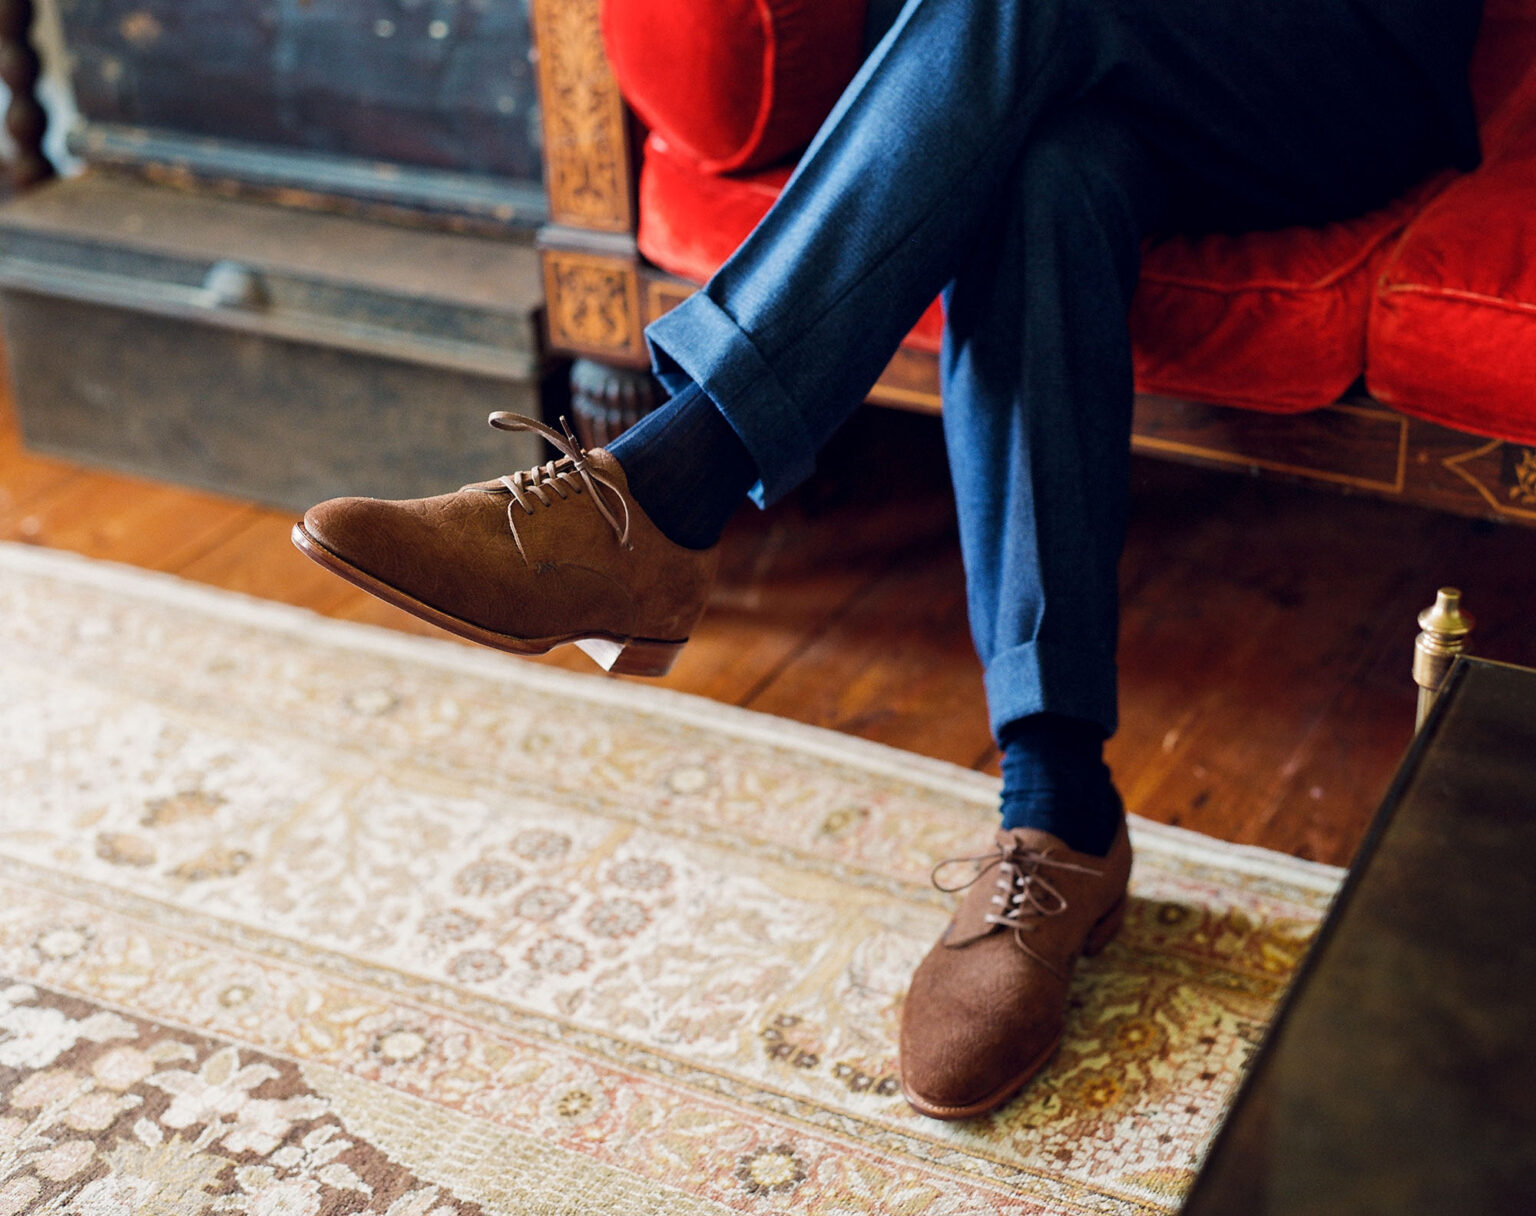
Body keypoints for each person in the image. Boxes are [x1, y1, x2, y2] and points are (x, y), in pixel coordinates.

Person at [293, 0, 1483, 1120]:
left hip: (1345, 59)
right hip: (1118, 56)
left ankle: (662, 492)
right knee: (1045, 178)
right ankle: (1057, 811)